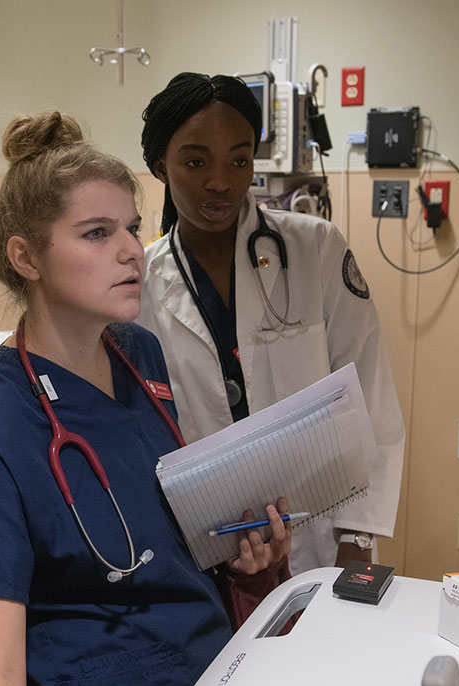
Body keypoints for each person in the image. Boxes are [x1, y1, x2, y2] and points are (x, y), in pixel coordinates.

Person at [0, 112, 292, 686]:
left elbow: (164, 552)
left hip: (217, 668)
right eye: (97, 233)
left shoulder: (138, 355)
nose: (132, 251)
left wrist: (241, 559)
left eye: (133, 227)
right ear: (26, 258)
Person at [136, 73, 408, 570]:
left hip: (318, 538)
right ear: (160, 166)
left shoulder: (315, 249)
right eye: (196, 161)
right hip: (206, 549)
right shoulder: (139, 282)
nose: (220, 181)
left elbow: (370, 391)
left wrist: (359, 538)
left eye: (239, 160)